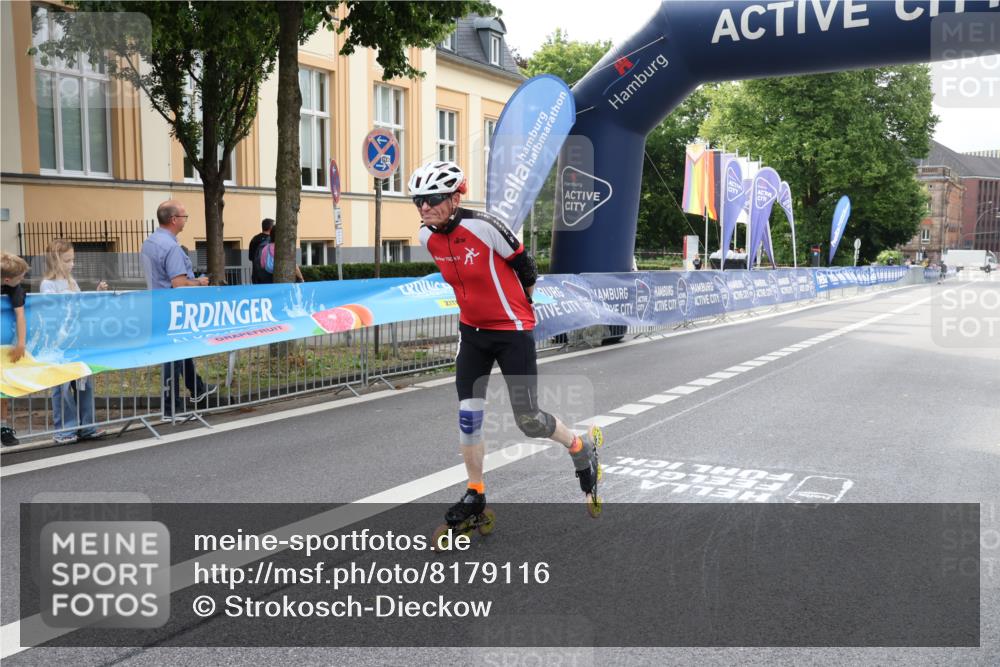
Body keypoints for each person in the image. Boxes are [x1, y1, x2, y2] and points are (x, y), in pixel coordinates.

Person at [409, 160, 605, 532]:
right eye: (417, 200)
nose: (424, 207)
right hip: (472, 333)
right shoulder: (425, 237)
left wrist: (522, 305)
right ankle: (475, 493)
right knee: (468, 417)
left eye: (431, 198)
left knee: (529, 420)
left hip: (512, 331)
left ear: (454, 198)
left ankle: (580, 448)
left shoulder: (484, 226)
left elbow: (526, 267)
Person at [140, 200, 216, 420]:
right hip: (172, 307)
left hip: (157, 304)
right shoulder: (171, 247)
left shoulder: (150, 242)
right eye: (184, 216)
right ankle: (171, 408)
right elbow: (179, 283)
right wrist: (200, 282)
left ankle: (197, 388)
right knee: (172, 356)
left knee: (181, 350)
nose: (186, 220)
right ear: (174, 219)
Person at [40, 239, 107, 444]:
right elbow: (52, 311)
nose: (72, 264)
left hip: (77, 339)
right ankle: (64, 430)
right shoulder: (48, 284)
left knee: (84, 384)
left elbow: (81, 306)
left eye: (72, 259)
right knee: (62, 389)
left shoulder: (71, 282)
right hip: (59, 343)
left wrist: (97, 294)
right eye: (67, 260)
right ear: (56, 260)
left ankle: (87, 426)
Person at [1, 252, 30, 446]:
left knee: (2, 387)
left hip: (3, 346)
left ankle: (3, 426)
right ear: (7, 279)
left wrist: (21, 343)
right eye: (20, 278)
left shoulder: (14, 288)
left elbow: (20, 315)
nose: (22, 281)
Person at [249, 218, 274, 285]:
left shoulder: (254, 239)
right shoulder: (271, 240)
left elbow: (250, 257)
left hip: (255, 274)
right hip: (268, 275)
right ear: (271, 228)